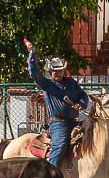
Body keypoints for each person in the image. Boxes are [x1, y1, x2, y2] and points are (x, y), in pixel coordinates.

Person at [26, 39, 88, 169]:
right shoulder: (47, 84)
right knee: (60, 144)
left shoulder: (72, 83)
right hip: (59, 124)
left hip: (75, 121)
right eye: (55, 71)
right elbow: (34, 72)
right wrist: (32, 53)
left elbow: (83, 95)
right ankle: (50, 174)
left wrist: (81, 104)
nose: (58, 73)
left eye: (60, 70)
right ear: (50, 72)